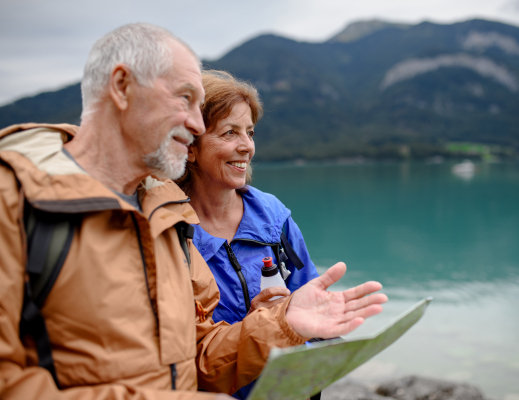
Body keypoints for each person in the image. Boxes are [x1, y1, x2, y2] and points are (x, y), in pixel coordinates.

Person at [0, 23, 388, 399]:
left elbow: (197, 356)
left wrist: (283, 323)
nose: (196, 123)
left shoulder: (168, 215)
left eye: (201, 108)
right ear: (122, 87)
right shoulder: (13, 200)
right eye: (184, 99)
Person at [176, 70, 320, 399]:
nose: (247, 147)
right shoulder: (170, 234)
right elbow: (179, 356)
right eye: (230, 133)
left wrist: (295, 326)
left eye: (250, 133)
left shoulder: (274, 218)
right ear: (190, 147)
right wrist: (257, 329)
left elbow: (310, 308)